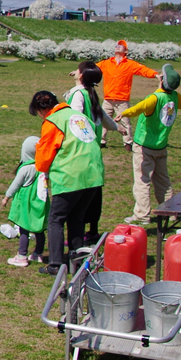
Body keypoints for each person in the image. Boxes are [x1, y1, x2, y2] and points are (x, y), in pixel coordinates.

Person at [119, 64, 181, 225]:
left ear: (162, 80)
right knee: (163, 182)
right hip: (161, 147)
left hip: (144, 148)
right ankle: (171, 212)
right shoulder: (175, 98)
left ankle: (142, 215)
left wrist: (124, 113)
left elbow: (139, 108)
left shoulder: (155, 98)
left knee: (143, 182)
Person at [33, 89, 103, 276]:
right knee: (76, 216)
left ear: (41, 110)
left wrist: (41, 167)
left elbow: (44, 155)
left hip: (71, 175)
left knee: (56, 218)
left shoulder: (53, 121)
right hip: (93, 174)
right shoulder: (77, 115)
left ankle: (55, 264)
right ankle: (76, 259)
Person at [64, 61, 116, 242]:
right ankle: (93, 229)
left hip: (80, 148)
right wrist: (117, 127)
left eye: (78, 70)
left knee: (79, 192)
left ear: (81, 76)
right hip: (94, 149)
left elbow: (73, 116)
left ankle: (76, 236)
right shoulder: (90, 92)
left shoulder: (78, 94)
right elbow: (102, 114)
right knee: (94, 191)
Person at [96, 40, 158, 150]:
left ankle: (128, 143)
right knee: (103, 120)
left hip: (122, 99)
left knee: (125, 122)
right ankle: (101, 141)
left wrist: (156, 75)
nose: (118, 47)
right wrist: (79, 71)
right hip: (108, 98)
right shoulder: (106, 63)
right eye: (117, 46)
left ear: (126, 51)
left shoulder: (130, 64)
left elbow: (143, 70)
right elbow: (93, 68)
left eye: (121, 46)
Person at [1, 136, 48, 267]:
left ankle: (22, 256)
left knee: (24, 229)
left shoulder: (25, 169)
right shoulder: (44, 167)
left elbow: (15, 185)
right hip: (40, 203)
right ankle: (38, 254)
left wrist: (6, 197)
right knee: (40, 230)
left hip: (27, 205)